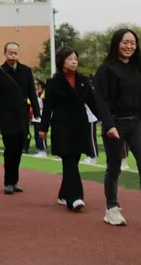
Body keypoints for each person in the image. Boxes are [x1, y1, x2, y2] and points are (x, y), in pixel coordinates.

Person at [94, 29, 141, 231]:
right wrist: (108, 125)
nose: (129, 46)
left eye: (133, 43)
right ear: (116, 43)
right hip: (116, 124)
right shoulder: (105, 69)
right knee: (114, 168)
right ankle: (112, 208)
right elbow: (101, 100)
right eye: (125, 42)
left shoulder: (137, 70)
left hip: (138, 123)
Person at [38, 47, 98, 211]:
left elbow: (92, 103)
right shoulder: (53, 83)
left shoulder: (83, 80)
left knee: (74, 160)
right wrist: (43, 128)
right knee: (69, 160)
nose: (74, 62)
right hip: (62, 126)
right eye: (70, 59)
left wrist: (106, 120)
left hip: (80, 125)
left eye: (75, 59)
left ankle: (64, 194)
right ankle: (75, 197)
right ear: (62, 61)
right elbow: (48, 107)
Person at [0, 42, 40, 195]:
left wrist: (37, 112)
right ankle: (8, 182)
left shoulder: (26, 71)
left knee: (19, 148)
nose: (13, 55)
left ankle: (15, 180)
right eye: (10, 52)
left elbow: (32, 93)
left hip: (22, 115)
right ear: (4, 53)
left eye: (15, 52)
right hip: (7, 114)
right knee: (9, 149)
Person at [30, 80, 47, 158]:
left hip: (41, 116)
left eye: (37, 84)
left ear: (40, 85)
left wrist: (38, 107)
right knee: (36, 134)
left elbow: (46, 105)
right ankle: (39, 149)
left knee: (41, 134)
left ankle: (43, 151)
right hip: (35, 116)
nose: (35, 86)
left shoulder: (43, 93)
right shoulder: (36, 93)